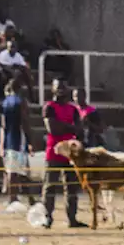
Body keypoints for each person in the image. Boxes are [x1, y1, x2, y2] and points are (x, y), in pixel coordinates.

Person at [41, 79, 86, 228]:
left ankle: (72, 218)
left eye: (63, 87)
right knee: (50, 185)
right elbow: (53, 129)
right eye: (57, 87)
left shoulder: (72, 109)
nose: (61, 90)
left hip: (70, 152)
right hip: (54, 151)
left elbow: (80, 130)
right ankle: (47, 217)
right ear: (52, 89)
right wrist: (71, 128)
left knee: (71, 185)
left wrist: (68, 129)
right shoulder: (49, 107)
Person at [0, 80, 33, 207]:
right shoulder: (21, 102)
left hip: (8, 138)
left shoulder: (5, 102)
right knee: (19, 168)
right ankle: (16, 198)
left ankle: (15, 196)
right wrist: (30, 139)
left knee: (11, 168)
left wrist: (1, 143)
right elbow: (25, 121)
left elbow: (3, 125)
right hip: (18, 138)